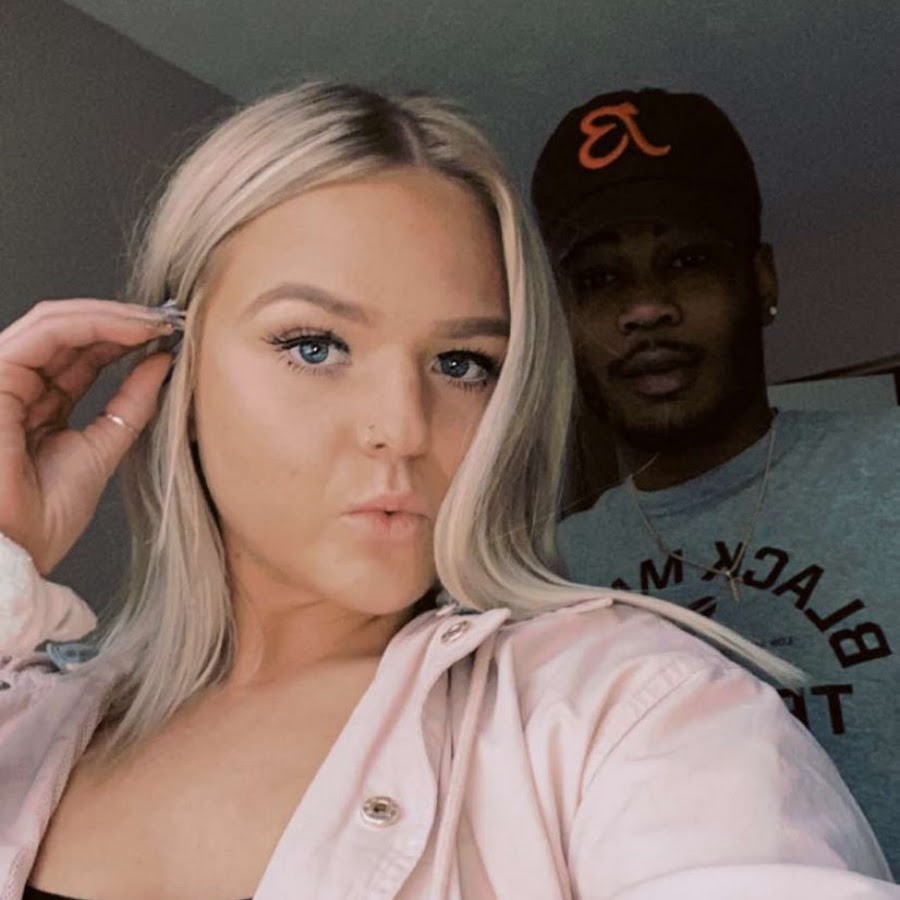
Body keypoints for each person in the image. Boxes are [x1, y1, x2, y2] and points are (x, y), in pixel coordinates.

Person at [0, 82, 895, 899]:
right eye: (315, 345)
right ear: (173, 372)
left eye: (462, 363)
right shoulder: (32, 715)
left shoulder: (625, 708)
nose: (405, 428)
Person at [531, 86, 900, 876]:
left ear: (760, 280)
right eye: (600, 279)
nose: (644, 308)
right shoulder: (543, 577)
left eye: (686, 262)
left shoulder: (889, 471)